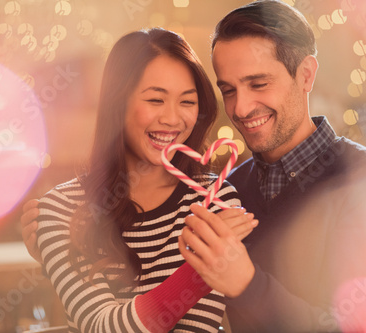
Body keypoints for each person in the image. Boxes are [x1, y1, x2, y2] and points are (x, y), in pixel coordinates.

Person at [178, 0, 366, 332]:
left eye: (258, 84)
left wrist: (247, 284)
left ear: (305, 75)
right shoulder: (228, 190)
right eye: (228, 90)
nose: (241, 108)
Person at [22, 27, 258, 333]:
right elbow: (99, 326)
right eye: (156, 100)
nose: (173, 119)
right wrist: (202, 270)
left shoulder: (215, 202)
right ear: (117, 104)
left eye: (187, 102)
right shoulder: (60, 209)